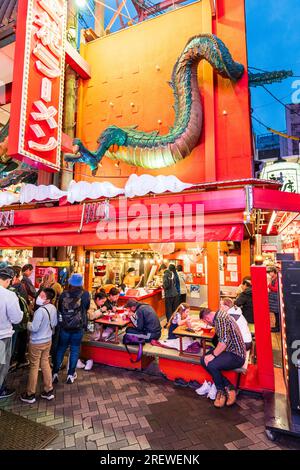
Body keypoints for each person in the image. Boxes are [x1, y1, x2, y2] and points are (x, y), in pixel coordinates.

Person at [199, 308, 246, 408]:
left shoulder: (220, 320)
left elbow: (223, 343)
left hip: (237, 355)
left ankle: (220, 391)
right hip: (229, 351)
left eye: (205, 322)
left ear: (207, 318)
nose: (208, 324)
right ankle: (229, 386)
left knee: (211, 364)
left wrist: (213, 355)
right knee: (203, 359)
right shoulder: (220, 315)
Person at [20, 288, 57, 404]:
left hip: (37, 342)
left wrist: (27, 323)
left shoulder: (40, 311)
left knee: (34, 366)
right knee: (45, 363)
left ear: (48, 300)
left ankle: (30, 394)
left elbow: (34, 328)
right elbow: (54, 323)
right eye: (40, 294)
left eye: (42, 296)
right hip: (48, 340)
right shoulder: (53, 308)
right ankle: (48, 390)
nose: (39, 297)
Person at [52, 274, 90, 384]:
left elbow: (59, 308)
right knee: (74, 349)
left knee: (61, 349)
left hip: (64, 326)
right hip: (78, 327)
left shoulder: (64, 294)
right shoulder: (85, 294)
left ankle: (55, 373)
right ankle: (70, 374)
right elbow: (86, 308)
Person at [0, 267, 23, 399]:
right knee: (2, 365)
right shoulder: (9, 295)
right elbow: (16, 318)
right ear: (9, 280)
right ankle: (1, 390)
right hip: (2, 336)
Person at [10, 266, 30, 368]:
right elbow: (24, 302)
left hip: (10, 322)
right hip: (19, 320)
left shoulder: (7, 288)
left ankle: (14, 359)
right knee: (20, 339)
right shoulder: (20, 287)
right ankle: (19, 359)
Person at [268, 267, 280, 333]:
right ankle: (276, 326)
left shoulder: (276, 279)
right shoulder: (274, 278)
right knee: (276, 313)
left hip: (275, 298)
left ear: (274, 272)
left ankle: (277, 327)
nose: (269, 273)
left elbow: (276, 289)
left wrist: (269, 286)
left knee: (277, 313)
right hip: (274, 298)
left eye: (270, 272)